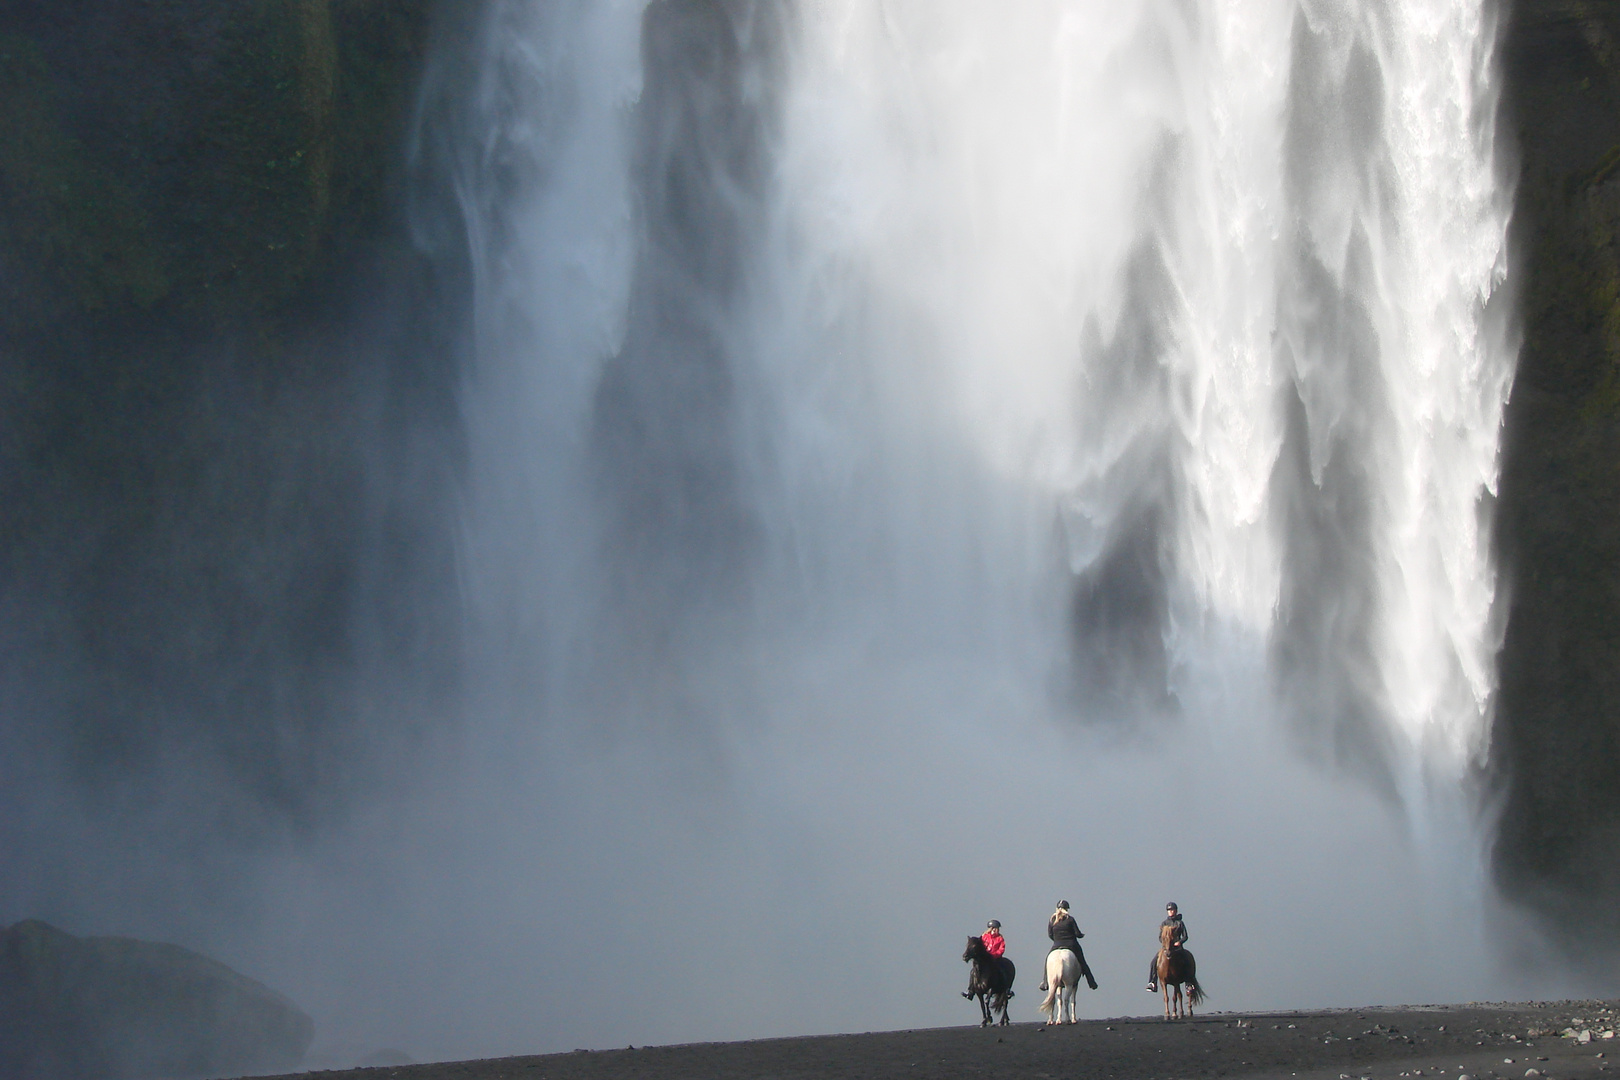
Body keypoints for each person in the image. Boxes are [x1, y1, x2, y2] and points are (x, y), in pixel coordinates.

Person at [1037, 900, 1098, 992]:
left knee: (1047, 960)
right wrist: (1081, 935)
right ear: (1067, 909)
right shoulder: (1070, 919)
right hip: (1071, 945)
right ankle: (1091, 982)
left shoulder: (1052, 919)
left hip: (1057, 944)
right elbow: (1077, 933)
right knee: (1082, 962)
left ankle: (1045, 982)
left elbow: (1050, 934)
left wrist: (1058, 940)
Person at [1146, 901, 1189, 992]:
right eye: (1169, 910)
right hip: (1166, 948)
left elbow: (1185, 936)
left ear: (1176, 911)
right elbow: (1160, 937)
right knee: (1153, 962)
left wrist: (1179, 942)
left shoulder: (1180, 923)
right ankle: (1152, 982)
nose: (1170, 911)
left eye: (1172, 910)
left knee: (1187, 960)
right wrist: (1165, 943)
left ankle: (1189, 983)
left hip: (1177, 948)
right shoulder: (1164, 923)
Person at [964, 920, 1008, 998]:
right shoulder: (984, 937)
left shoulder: (1000, 939)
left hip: (995, 958)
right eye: (993, 928)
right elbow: (980, 947)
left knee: (1001, 970)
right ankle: (970, 991)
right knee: (973, 972)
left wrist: (995, 955)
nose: (995, 930)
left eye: (996, 928)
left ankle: (1006, 988)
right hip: (986, 959)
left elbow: (1001, 949)